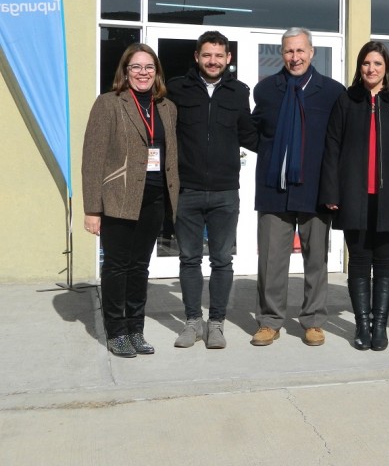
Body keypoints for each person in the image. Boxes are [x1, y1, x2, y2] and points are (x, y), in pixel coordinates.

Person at [320, 42, 389, 351]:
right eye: (366, 63)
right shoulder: (346, 101)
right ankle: (361, 326)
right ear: (359, 67)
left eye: (377, 63)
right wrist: (331, 191)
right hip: (354, 196)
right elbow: (332, 149)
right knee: (358, 263)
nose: (371, 69)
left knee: (383, 264)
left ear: (387, 68)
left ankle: (380, 326)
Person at [82, 43, 179, 358]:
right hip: (119, 198)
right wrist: (92, 209)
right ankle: (117, 332)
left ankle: (136, 329)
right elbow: (93, 160)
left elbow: (169, 157)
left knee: (139, 267)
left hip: (153, 199)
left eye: (149, 67)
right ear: (125, 71)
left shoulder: (166, 107)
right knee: (116, 267)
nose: (143, 73)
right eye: (136, 67)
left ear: (157, 72)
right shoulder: (109, 104)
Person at [251, 27, 344, 347]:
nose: (295, 57)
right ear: (281, 53)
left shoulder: (332, 92)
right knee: (271, 261)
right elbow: (255, 133)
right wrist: (270, 158)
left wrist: (335, 190)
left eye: (300, 51)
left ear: (312, 52)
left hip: (316, 190)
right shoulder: (265, 90)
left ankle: (314, 320)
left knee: (315, 260)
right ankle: (270, 320)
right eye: (289, 51)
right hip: (273, 189)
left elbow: (339, 143)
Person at [167, 31, 258, 350]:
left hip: (224, 192)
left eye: (219, 55)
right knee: (189, 258)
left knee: (221, 259)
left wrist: (287, 144)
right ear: (196, 57)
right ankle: (193, 322)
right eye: (207, 55)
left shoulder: (238, 92)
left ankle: (216, 323)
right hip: (186, 190)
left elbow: (249, 134)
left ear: (228, 58)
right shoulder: (177, 89)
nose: (213, 61)